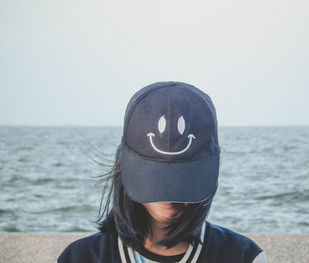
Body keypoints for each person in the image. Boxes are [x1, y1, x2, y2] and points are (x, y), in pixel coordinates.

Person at [57, 81, 267, 263]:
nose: (169, 193)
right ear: (124, 167)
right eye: (155, 178)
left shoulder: (244, 256)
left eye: (183, 179)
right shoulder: (80, 257)